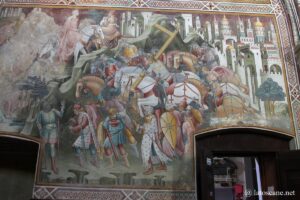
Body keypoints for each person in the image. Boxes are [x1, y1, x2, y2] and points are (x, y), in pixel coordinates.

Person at [139, 107, 171, 175]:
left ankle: (150, 169)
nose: (145, 112)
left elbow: (150, 129)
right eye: (145, 111)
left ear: (150, 111)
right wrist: (140, 127)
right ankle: (162, 166)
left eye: (146, 111)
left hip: (149, 138)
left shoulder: (152, 118)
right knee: (154, 152)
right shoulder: (148, 118)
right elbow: (145, 127)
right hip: (148, 138)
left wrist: (141, 128)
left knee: (148, 152)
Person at [36, 101, 65, 174]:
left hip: (53, 131)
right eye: (45, 105)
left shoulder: (54, 111)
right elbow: (38, 122)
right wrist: (40, 130)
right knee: (43, 147)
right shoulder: (40, 113)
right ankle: (40, 165)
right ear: (43, 106)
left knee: (52, 147)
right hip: (44, 131)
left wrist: (62, 107)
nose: (47, 106)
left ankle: (53, 166)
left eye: (48, 105)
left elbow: (61, 115)